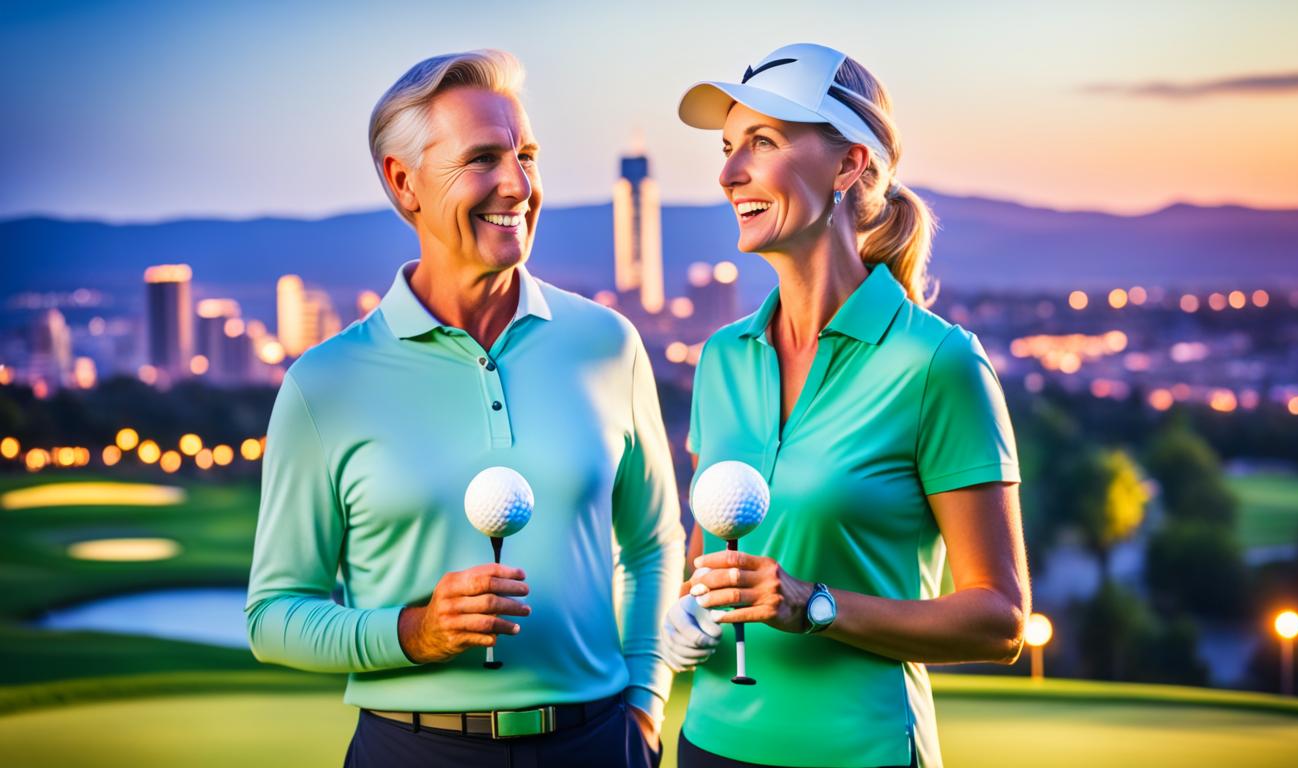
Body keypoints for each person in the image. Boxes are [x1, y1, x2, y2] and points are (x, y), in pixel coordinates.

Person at [245, 49, 682, 768]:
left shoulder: (608, 343)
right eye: (483, 159)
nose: (519, 185)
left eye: (528, 156)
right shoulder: (324, 385)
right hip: (409, 750)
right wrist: (412, 633)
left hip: (600, 745)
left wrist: (645, 704)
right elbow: (274, 616)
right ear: (404, 183)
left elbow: (653, 543)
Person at [662, 44, 1031, 768]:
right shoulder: (720, 359)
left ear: (848, 165)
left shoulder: (936, 362)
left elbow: (1000, 620)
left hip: (860, 751)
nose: (729, 172)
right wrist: (684, 610)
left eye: (762, 143)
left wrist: (814, 605)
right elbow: (718, 561)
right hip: (708, 744)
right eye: (728, 147)